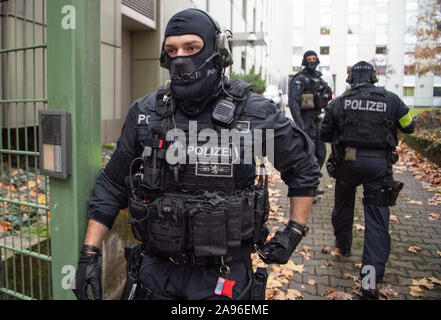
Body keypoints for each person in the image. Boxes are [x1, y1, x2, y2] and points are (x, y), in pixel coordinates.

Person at [72, 9, 321, 301]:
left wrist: (294, 231)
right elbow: (112, 186)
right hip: (154, 273)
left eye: (192, 48)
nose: (180, 58)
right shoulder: (146, 114)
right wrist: (89, 255)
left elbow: (303, 166)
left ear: (218, 53)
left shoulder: (253, 113)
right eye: (171, 50)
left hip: (223, 277)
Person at [319, 61, 415, 300]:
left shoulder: (338, 102)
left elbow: (324, 133)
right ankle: (370, 281)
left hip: (346, 163)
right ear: (373, 78)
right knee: (376, 221)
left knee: (343, 206)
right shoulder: (392, 100)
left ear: (351, 79)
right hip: (379, 166)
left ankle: (344, 246)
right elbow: (410, 126)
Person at [288, 50, 332, 200]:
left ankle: (312, 184)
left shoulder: (320, 78)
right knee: (308, 157)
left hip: (317, 121)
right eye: (309, 59)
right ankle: (306, 190)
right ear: (304, 61)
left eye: (314, 58)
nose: (312, 61)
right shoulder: (300, 79)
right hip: (305, 122)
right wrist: (300, 125)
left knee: (320, 154)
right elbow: (293, 103)